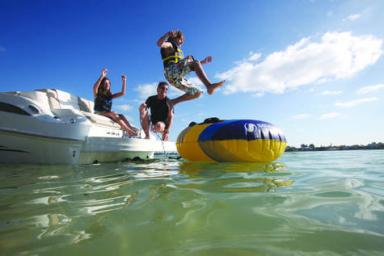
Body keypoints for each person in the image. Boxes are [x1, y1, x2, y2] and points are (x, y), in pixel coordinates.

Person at [157, 30, 225, 105]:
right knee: (190, 58)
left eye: (183, 40)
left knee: (197, 93)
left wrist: (203, 62)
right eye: (181, 39)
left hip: (174, 78)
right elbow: (159, 44)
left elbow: (192, 66)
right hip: (170, 71)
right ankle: (209, 86)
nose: (182, 42)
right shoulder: (170, 45)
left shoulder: (177, 50)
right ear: (174, 38)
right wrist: (167, 35)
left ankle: (172, 102)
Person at [93, 68, 138, 136]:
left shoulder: (110, 95)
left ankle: (131, 128)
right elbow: (94, 87)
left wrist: (124, 81)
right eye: (105, 83)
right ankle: (128, 130)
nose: (107, 84)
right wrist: (102, 76)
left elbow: (122, 93)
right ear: (102, 85)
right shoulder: (98, 94)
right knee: (113, 113)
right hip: (99, 113)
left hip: (108, 114)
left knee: (121, 115)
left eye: (108, 83)